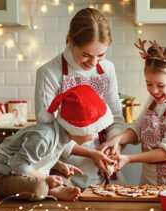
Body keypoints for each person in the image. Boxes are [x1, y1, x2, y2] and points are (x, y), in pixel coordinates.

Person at [35, 8, 126, 188]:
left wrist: (114, 143)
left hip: (103, 167)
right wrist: (91, 154)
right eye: (86, 55)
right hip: (62, 169)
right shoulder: (49, 73)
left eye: (101, 55)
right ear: (70, 40)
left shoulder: (107, 69)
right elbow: (47, 132)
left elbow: (115, 117)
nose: (93, 63)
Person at [0, 85, 115, 201]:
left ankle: (54, 188)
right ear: (78, 129)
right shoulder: (44, 137)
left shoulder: (63, 135)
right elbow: (19, 165)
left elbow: (45, 155)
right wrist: (45, 179)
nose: (96, 135)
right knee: (38, 189)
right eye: (94, 130)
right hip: (5, 175)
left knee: (63, 175)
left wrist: (58, 165)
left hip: (28, 172)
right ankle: (50, 190)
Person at [99, 39, 166, 186]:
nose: (154, 91)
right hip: (148, 182)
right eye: (149, 84)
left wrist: (129, 158)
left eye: (160, 85)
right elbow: (137, 130)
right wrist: (117, 139)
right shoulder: (153, 101)